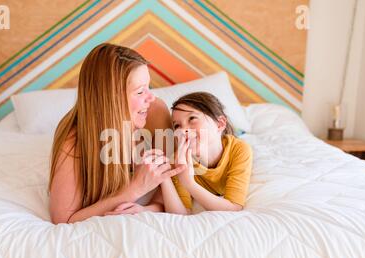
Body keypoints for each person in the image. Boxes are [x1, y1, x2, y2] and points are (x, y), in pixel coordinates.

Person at [48, 43, 184, 224]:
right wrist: (133, 190)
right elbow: (63, 219)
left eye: (148, 87)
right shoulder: (73, 142)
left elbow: (168, 182)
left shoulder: (155, 111)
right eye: (140, 91)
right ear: (112, 99)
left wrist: (147, 209)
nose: (150, 97)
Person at [161, 92, 252, 214]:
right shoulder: (179, 161)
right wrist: (164, 177)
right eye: (177, 125)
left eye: (192, 118)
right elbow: (181, 214)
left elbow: (234, 207)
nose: (183, 130)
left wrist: (189, 183)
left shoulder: (239, 150)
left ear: (220, 124)